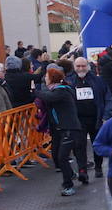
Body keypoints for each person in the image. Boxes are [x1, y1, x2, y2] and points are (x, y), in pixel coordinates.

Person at [37, 66, 87, 196]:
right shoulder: (59, 90)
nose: (45, 79)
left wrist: (34, 91)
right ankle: (71, 174)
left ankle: (68, 185)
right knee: (60, 157)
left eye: (47, 77)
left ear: (52, 78)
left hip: (70, 129)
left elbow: (48, 97)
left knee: (62, 157)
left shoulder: (61, 91)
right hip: (62, 129)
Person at [65, 56, 107, 180]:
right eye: (78, 66)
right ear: (74, 67)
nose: (81, 68)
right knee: (79, 145)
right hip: (78, 120)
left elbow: (107, 96)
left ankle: (98, 167)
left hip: (95, 118)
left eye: (83, 66)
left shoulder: (97, 80)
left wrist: (106, 116)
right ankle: (82, 170)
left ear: (87, 67)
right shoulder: (69, 81)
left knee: (97, 144)